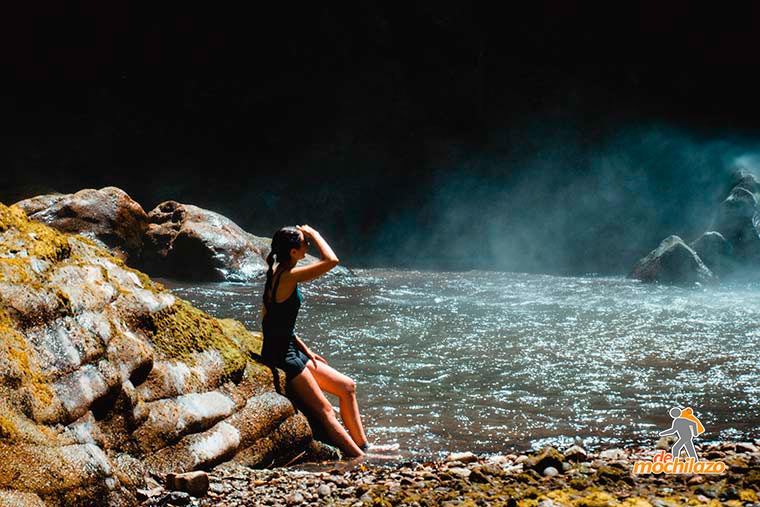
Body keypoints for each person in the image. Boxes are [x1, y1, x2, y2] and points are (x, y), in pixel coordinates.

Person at [261, 224, 368, 457]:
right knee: (326, 410)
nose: (307, 246)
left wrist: (304, 348)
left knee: (347, 387)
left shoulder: (280, 272)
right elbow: (331, 261)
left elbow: (273, 319)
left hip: (290, 348)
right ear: (293, 252)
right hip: (282, 355)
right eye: (305, 243)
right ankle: (359, 458)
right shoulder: (287, 276)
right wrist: (317, 234)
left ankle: (364, 446)